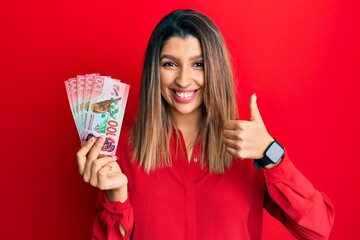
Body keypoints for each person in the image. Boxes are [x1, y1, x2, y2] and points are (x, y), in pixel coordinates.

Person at [76, 9, 335, 240]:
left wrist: (271, 153)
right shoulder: (122, 149)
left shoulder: (250, 147)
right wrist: (116, 195)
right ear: (155, 71)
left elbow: (317, 228)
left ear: (215, 69)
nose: (184, 79)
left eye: (198, 64)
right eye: (170, 64)